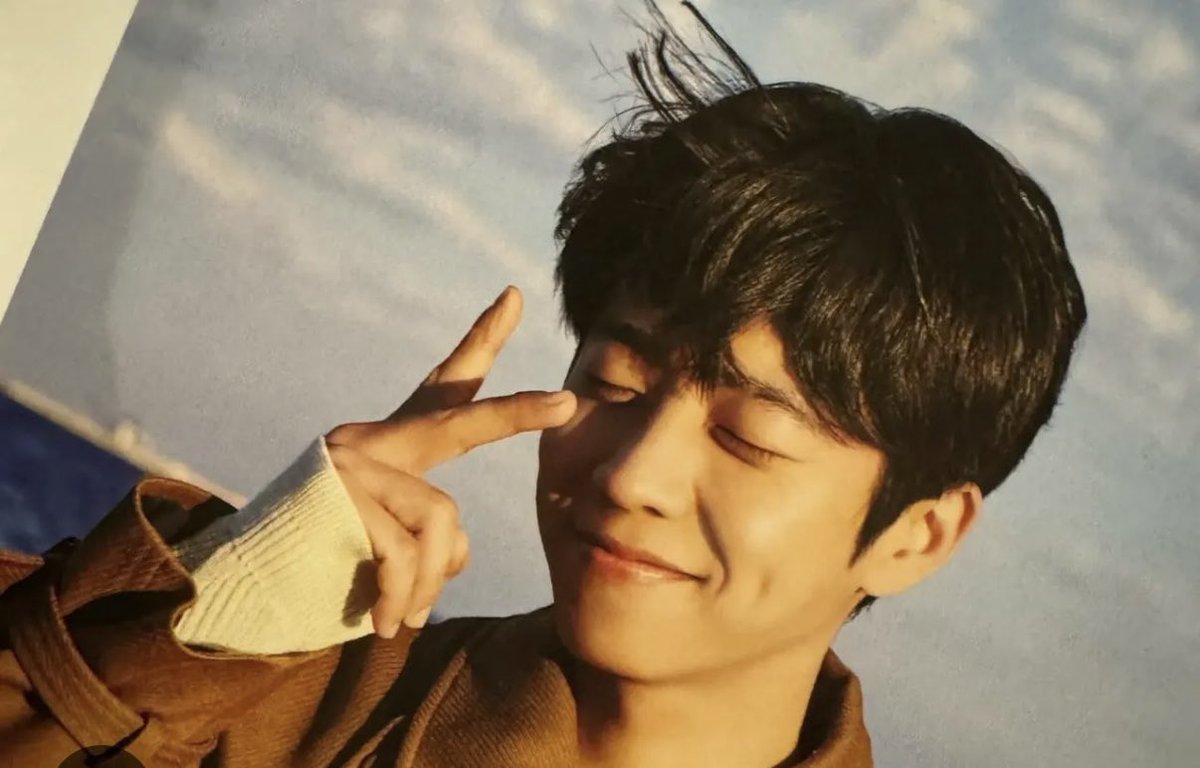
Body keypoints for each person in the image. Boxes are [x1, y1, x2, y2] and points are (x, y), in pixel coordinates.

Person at [0, 3, 1087, 766]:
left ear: (918, 535)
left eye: (751, 434)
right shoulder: (257, 697)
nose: (634, 475)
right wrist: (240, 591)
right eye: (613, 381)